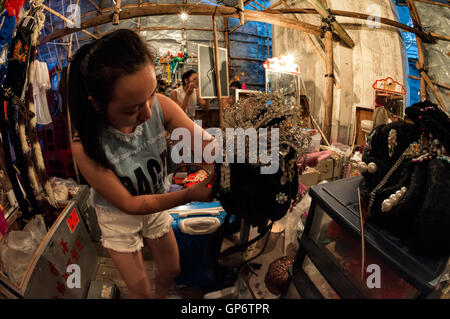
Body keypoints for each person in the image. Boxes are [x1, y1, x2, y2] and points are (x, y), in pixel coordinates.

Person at [68, 29, 216, 299]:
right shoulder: (85, 144)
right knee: (139, 289)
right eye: (130, 109)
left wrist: (226, 159)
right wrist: (189, 194)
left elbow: (207, 144)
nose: (148, 113)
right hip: (119, 217)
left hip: (156, 201)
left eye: (150, 94)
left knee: (171, 269)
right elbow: (131, 204)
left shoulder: (160, 105)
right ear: (98, 105)